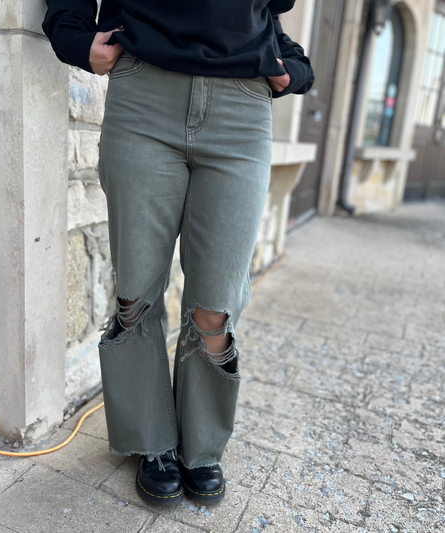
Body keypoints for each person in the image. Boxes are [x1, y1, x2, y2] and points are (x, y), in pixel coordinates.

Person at [42, 0, 314, 507]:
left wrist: (292, 67)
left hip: (241, 106)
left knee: (216, 304)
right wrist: (74, 36)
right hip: (144, 93)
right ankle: (151, 441)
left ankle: (201, 445)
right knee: (137, 294)